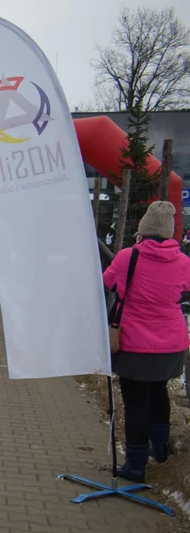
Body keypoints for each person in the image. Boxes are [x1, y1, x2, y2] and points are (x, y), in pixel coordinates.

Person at [103, 201, 190, 481]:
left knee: (136, 402)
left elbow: (107, 283)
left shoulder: (129, 256)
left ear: (143, 229)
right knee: (159, 391)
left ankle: (136, 464)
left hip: (134, 343)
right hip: (172, 344)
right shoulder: (184, 262)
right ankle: (161, 450)